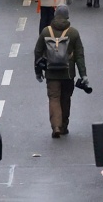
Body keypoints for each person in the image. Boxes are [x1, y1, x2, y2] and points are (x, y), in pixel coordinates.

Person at [33, 8, 87, 138]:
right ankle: (64, 125)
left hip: (51, 72)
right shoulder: (73, 33)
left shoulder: (46, 31)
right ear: (67, 17)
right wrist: (83, 74)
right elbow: (79, 55)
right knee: (65, 98)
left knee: (54, 98)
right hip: (68, 73)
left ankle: (55, 126)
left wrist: (38, 71)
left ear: (55, 16)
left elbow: (38, 52)